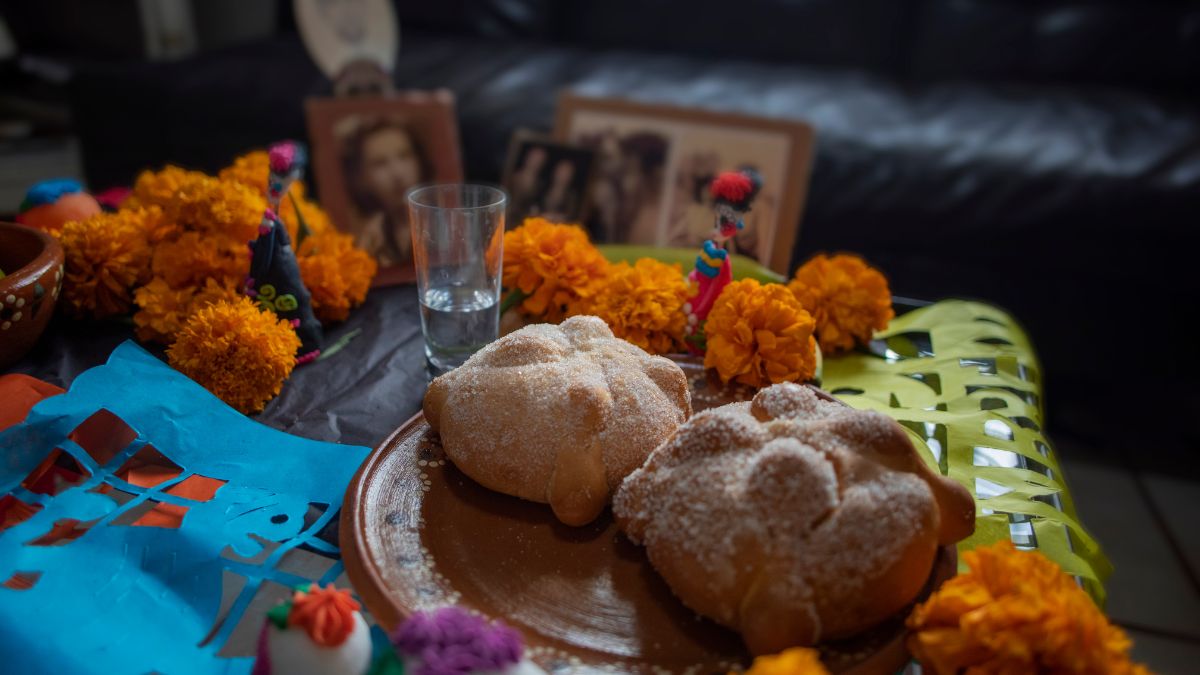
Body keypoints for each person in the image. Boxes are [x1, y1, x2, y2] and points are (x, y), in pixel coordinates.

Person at [341, 115, 429, 267]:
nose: (397, 173)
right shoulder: (371, 237)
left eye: (404, 155)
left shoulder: (445, 223)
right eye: (380, 163)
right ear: (362, 178)